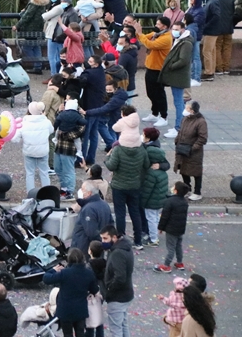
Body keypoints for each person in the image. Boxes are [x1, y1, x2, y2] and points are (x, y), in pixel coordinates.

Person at [106, 106, 148, 249]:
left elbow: (111, 166)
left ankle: (121, 238)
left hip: (119, 185)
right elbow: (146, 164)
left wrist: (107, 158)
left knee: (120, 213)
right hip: (135, 185)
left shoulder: (118, 150)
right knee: (135, 212)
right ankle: (138, 241)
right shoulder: (141, 149)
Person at [126, 16, 172, 128]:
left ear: (164, 26)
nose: (156, 25)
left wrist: (140, 33)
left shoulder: (166, 38)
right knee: (150, 92)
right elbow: (143, 38)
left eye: (158, 23)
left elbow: (149, 44)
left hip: (158, 69)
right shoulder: (156, 34)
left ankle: (163, 116)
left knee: (159, 93)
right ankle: (155, 113)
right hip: (150, 67)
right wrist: (136, 31)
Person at [43, 248, 99, 337]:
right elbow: (94, 290)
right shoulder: (88, 273)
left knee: (68, 334)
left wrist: (53, 270)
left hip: (65, 310)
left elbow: (46, 278)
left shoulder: (65, 273)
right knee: (80, 333)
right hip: (80, 310)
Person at [159, 21, 193, 139]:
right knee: (178, 102)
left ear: (183, 30)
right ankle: (179, 126)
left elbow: (183, 60)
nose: (174, 31)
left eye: (177, 29)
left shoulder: (186, 43)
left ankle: (179, 127)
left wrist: (171, 66)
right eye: (173, 29)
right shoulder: (181, 40)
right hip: (177, 76)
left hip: (179, 76)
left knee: (179, 102)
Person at [101, 225, 135, 337]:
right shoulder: (124, 248)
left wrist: (109, 288)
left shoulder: (117, 253)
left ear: (114, 237)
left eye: (105, 238)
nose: (103, 241)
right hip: (125, 294)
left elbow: (120, 277)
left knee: (116, 329)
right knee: (123, 325)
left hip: (117, 297)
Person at [15, 101, 54, 192]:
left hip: (29, 151)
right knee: (44, 173)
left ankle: (30, 195)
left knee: (30, 174)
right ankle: (47, 194)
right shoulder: (46, 121)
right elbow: (51, 131)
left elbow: (15, 138)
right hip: (43, 151)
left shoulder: (24, 123)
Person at [174, 100, 208, 200]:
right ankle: (187, 189)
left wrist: (192, 148)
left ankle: (197, 192)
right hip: (182, 150)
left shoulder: (201, 122)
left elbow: (202, 138)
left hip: (194, 152)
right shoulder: (185, 119)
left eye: (187, 108)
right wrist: (177, 140)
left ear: (192, 110)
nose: (185, 110)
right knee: (184, 170)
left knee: (196, 172)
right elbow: (181, 131)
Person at [53, 99, 86, 197]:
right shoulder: (78, 117)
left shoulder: (64, 115)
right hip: (60, 146)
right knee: (58, 168)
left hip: (69, 147)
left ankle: (69, 190)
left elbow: (56, 124)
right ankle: (64, 188)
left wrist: (64, 135)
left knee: (67, 170)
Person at [156, 181, 190, 273]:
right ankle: (179, 262)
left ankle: (166, 265)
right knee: (178, 246)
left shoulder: (169, 202)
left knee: (170, 248)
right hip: (180, 228)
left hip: (171, 229)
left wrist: (161, 228)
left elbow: (165, 216)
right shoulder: (185, 202)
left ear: (175, 191)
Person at [71, 182, 112, 257]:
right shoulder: (104, 204)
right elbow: (111, 224)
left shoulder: (88, 208)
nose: (80, 191)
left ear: (89, 193)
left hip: (85, 247)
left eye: (83, 189)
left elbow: (91, 232)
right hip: (97, 247)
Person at [200, 0, 221, 81]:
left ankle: (208, 72)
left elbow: (216, 15)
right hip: (213, 30)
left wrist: (206, 25)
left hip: (210, 30)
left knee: (207, 51)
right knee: (211, 51)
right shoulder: (211, 0)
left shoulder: (213, 2)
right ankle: (211, 71)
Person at [215, 0, 235, 75]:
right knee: (227, 47)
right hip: (228, 27)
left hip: (218, 28)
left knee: (217, 47)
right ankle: (226, 68)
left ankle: (219, 68)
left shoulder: (215, 0)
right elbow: (233, 12)